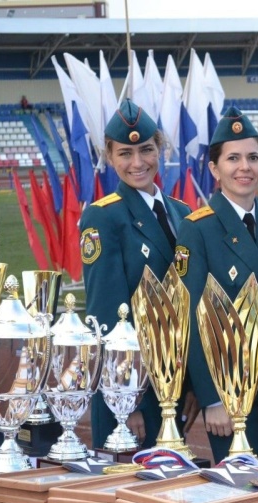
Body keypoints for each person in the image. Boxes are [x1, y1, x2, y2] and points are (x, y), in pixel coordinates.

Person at [80, 99, 198, 450]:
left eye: (146, 150)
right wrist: (123, 399)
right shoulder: (104, 217)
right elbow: (105, 311)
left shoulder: (182, 212)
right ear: (110, 157)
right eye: (125, 154)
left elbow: (188, 305)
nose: (137, 163)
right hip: (132, 389)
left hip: (174, 383)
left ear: (160, 149)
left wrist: (193, 384)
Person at [176, 106, 258, 470]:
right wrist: (210, 398)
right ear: (214, 168)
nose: (245, 168)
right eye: (233, 158)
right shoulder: (197, 229)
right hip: (228, 390)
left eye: (253, 158)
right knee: (238, 496)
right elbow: (190, 317)